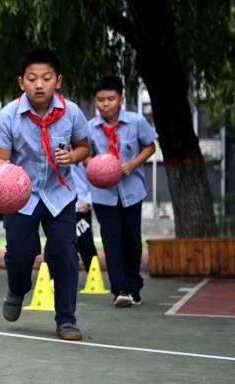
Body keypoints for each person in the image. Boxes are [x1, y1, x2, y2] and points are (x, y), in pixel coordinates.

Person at [0, 48, 90, 341]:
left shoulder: (71, 112)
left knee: (65, 253)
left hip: (60, 194)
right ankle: (18, 289)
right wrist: (5, 178)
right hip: (22, 198)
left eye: (46, 78)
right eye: (32, 79)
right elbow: (0, 161)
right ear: (22, 82)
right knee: (20, 254)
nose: (39, 84)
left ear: (58, 81)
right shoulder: (9, 115)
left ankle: (66, 320)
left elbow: (84, 147)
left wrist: (73, 156)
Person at [87, 75, 157, 307]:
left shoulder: (136, 122)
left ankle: (134, 286)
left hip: (132, 191)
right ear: (95, 101)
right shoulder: (90, 127)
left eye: (110, 99)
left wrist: (132, 165)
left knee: (132, 239)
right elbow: (83, 152)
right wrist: (95, 166)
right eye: (100, 100)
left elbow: (150, 146)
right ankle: (120, 290)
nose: (105, 104)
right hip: (103, 194)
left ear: (121, 99)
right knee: (111, 239)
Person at [71, 163, 98, 271]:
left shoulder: (85, 153)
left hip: (81, 208)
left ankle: (94, 275)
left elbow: (96, 178)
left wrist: (88, 200)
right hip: (60, 208)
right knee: (57, 244)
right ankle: (53, 278)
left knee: (85, 242)